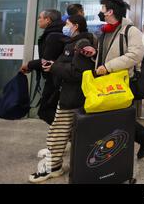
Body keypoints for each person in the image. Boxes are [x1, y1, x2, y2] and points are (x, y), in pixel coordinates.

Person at [83, 0, 144, 160]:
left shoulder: (131, 31)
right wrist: (95, 55)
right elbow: (108, 53)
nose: (100, 12)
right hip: (105, 81)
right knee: (114, 117)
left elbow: (135, 55)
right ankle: (134, 141)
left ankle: (141, 139)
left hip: (123, 81)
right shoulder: (106, 31)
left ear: (110, 12)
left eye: (103, 9)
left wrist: (108, 67)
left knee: (120, 118)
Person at [28, 15, 96, 183]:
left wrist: (55, 67)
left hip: (72, 98)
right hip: (69, 95)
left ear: (76, 26)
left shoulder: (81, 44)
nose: (65, 26)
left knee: (56, 134)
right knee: (72, 134)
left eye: (67, 24)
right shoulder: (73, 42)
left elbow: (78, 73)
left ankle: (53, 167)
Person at [21, 10, 66, 125]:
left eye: (40, 17)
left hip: (55, 79)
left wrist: (29, 65)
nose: (38, 20)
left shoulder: (53, 36)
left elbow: (47, 60)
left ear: (48, 20)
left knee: (46, 111)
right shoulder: (55, 33)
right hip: (57, 78)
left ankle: (69, 134)